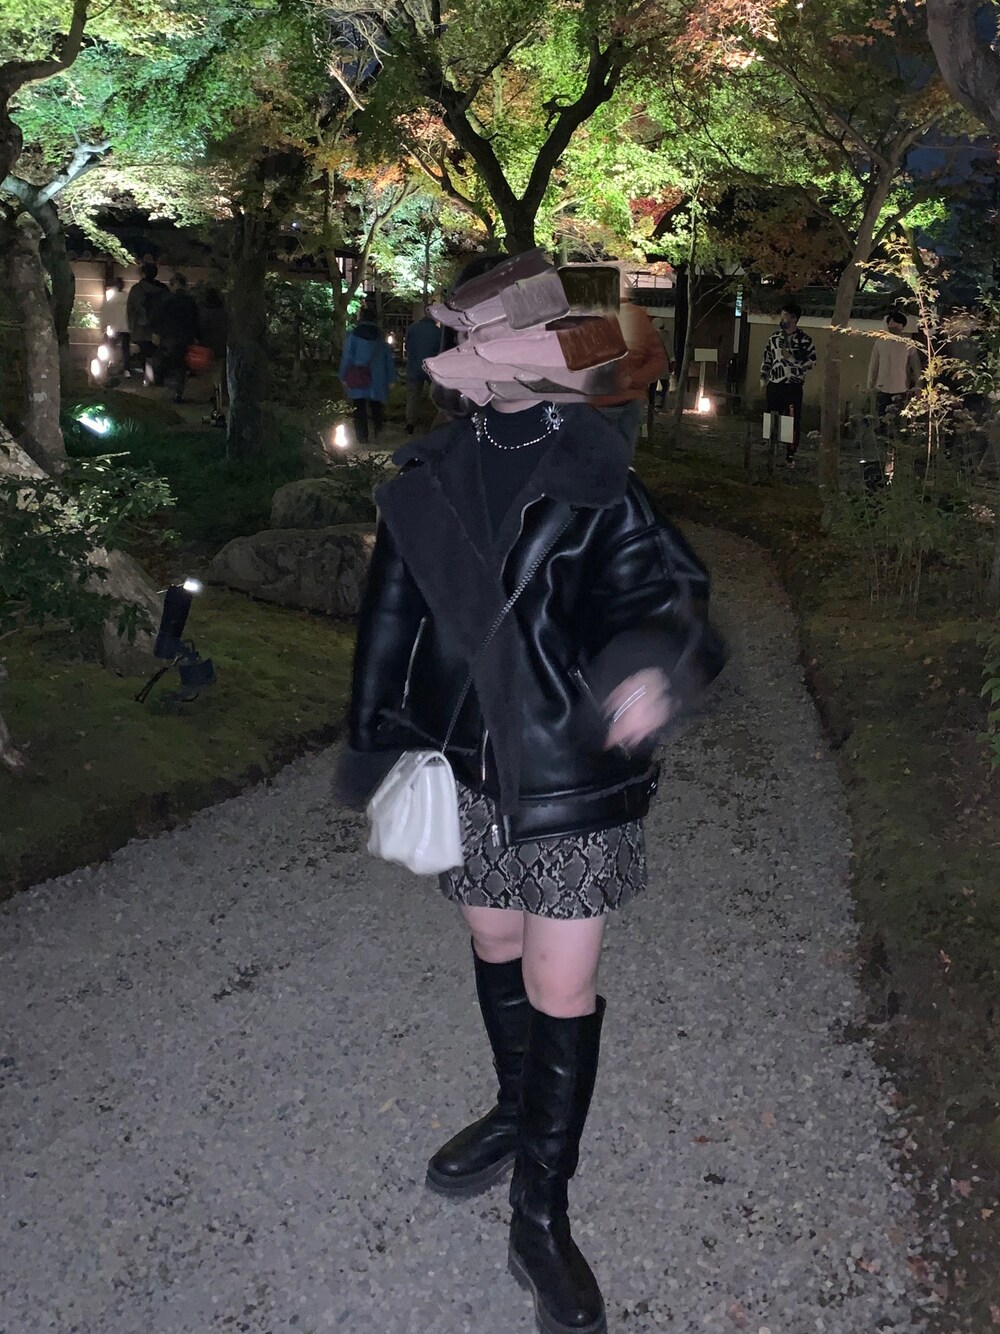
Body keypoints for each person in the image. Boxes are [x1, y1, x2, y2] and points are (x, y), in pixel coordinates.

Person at [339, 251, 724, 1334]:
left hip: (569, 770)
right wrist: (373, 744)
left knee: (561, 981)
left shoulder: (597, 470)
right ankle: (516, 1109)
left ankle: (540, 1217)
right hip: (462, 763)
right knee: (494, 939)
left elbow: (669, 593)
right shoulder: (426, 474)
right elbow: (389, 621)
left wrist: (646, 668)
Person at [590, 279, 670, 455]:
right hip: (628, 400)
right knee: (620, 457)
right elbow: (658, 359)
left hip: (600, 402)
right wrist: (635, 379)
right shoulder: (638, 317)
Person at [759, 300, 817, 466]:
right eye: (782, 315)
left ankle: (790, 454)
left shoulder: (804, 340)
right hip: (775, 383)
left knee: (791, 420)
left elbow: (812, 361)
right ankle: (770, 448)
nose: (783, 318)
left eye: (786, 316)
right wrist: (763, 379)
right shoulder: (774, 338)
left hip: (793, 385)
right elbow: (767, 359)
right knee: (771, 416)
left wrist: (791, 358)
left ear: (794, 318)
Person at [339, 303, 397, 443]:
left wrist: (343, 375)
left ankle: (362, 436)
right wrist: (391, 378)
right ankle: (378, 432)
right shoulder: (380, 336)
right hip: (378, 375)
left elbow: (347, 356)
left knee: (359, 406)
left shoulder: (354, 335)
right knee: (376, 406)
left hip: (358, 374)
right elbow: (388, 358)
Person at [867, 310, 921, 435]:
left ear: (902, 326)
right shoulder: (880, 342)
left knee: (898, 419)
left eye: (896, 325)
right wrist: (870, 385)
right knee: (882, 417)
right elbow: (874, 365)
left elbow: (916, 366)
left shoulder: (908, 344)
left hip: (901, 387)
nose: (893, 327)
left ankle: (897, 439)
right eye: (891, 325)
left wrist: (918, 385)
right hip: (882, 386)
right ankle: (882, 438)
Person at [155, 273, 201, 404]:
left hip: (169, 336)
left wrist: (159, 333)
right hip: (185, 336)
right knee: (181, 364)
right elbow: (195, 319)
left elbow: (160, 318)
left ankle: (168, 387)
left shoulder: (167, 300)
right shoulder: (189, 301)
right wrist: (196, 335)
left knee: (168, 361)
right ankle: (178, 391)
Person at [126, 262, 168, 386]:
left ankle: (149, 378)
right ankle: (158, 377)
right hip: (160, 328)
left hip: (141, 328)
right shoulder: (163, 290)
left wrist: (131, 326)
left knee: (145, 353)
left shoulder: (137, 290)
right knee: (159, 353)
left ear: (143, 273)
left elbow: (131, 310)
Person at [403, 304, 441, 434]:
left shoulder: (412, 328)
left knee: (413, 396)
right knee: (437, 394)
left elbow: (407, 346)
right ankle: (441, 418)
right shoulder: (437, 332)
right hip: (431, 367)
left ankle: (410, 423)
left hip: (414, 366)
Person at [101, 277, 131, 373]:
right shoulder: (127, 298)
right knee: (125, 349)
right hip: (126, 327)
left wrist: (103, 326)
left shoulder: (110, 298)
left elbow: (105, 313)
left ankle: (109, 365)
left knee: (111, 347)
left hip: (114, 327)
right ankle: (126, 369)